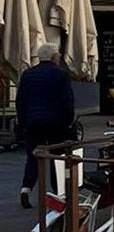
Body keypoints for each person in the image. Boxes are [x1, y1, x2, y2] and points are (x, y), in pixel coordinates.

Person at [16, 43, 75, 209]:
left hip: (33, 122)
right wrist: (68, 121)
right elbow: (67, 101)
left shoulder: (27, 74)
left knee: (33, 156)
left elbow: (20, 101)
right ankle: (58, 194)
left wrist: (23, 124)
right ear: (54, 57)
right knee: (57, 157)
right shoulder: (61, 74)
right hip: (56, 123)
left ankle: (26, 189)